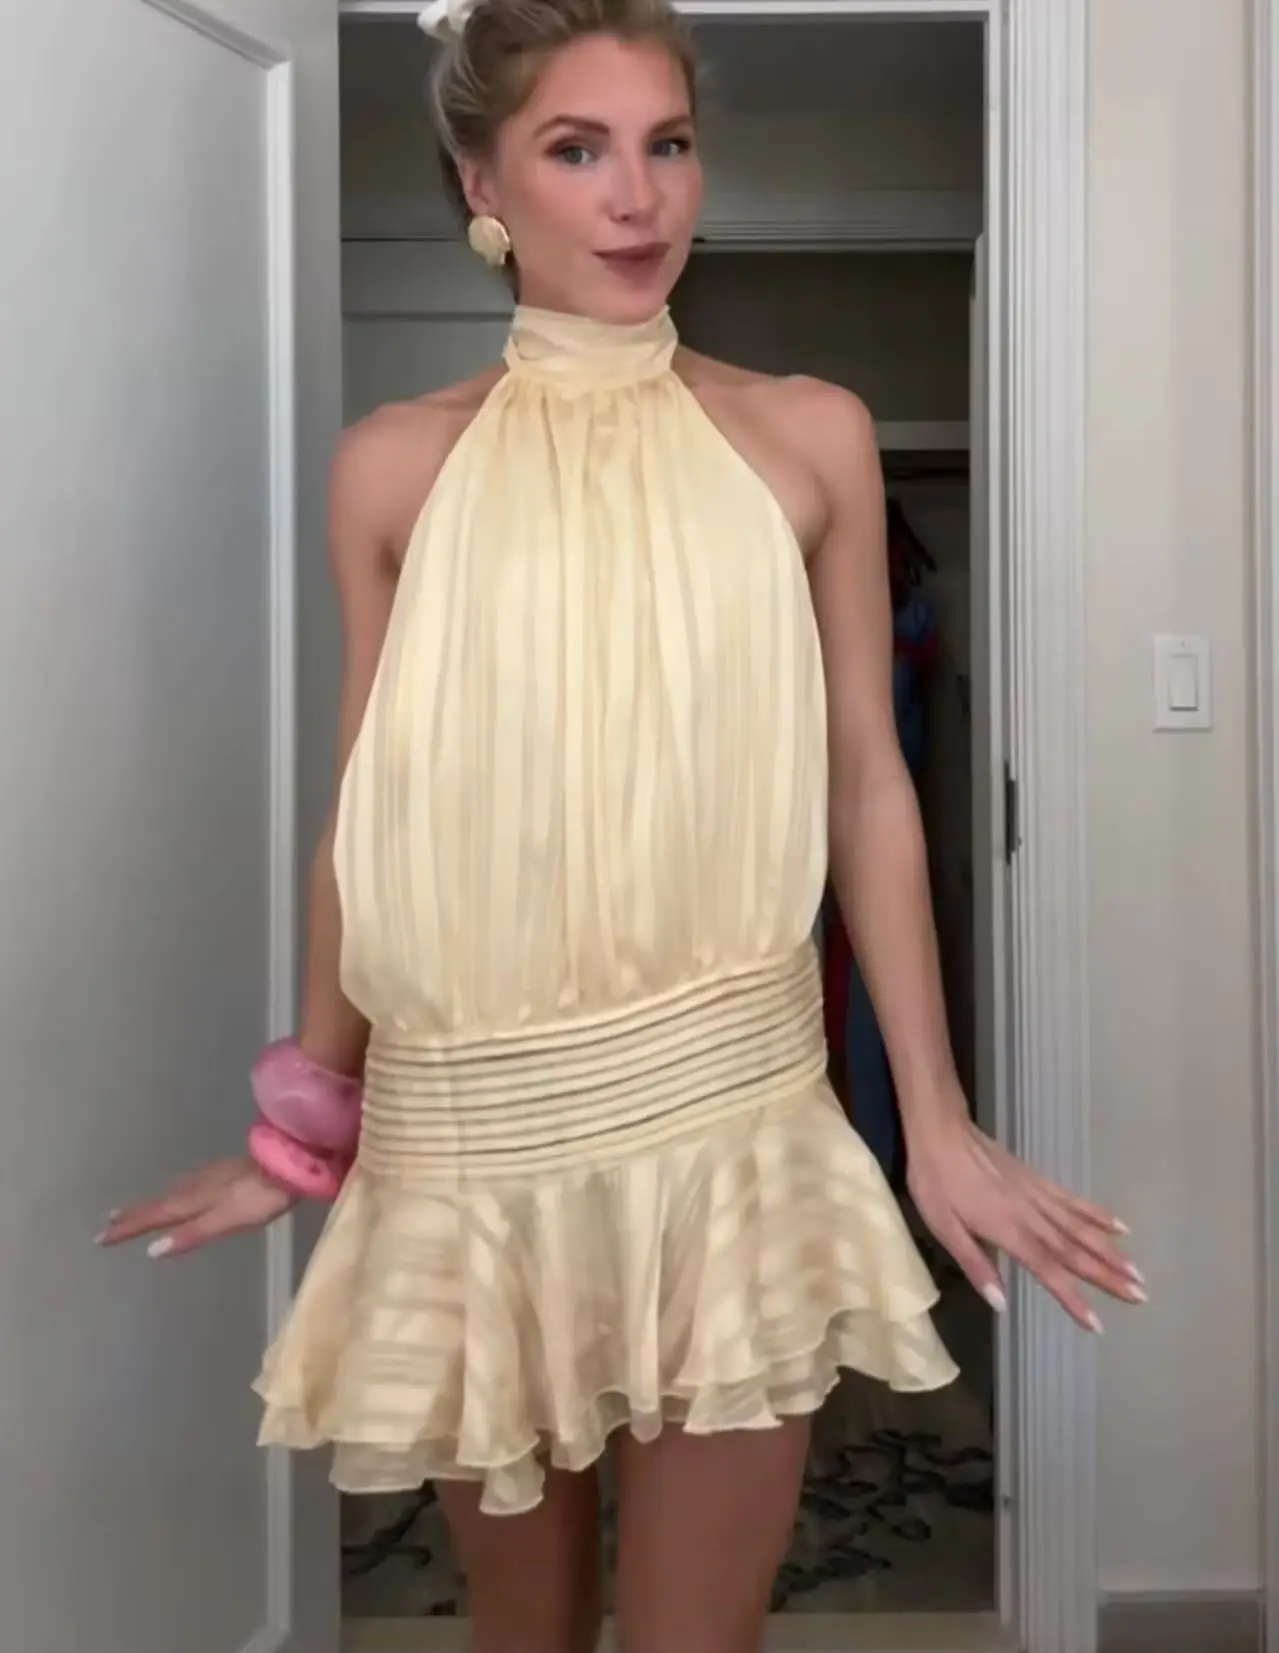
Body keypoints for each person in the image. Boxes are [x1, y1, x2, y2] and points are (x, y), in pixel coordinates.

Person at [100, 0, 1145, 1647]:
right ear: (482, 183)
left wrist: (935, 1122)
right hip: (468, 1145)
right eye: (576, 150)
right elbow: (374, 808)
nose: (636, 196)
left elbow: (864, 779)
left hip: (727, 1120)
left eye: (666, 145)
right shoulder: (393, 468)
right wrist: (303, 1132)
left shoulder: (807, 435)